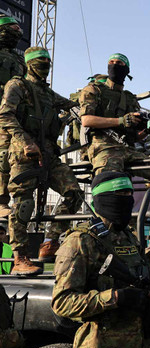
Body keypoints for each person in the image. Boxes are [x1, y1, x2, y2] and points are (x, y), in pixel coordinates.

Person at [51, 172, 150, 348]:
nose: (126, 200)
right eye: (119, 194)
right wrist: (115, 297)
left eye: (129, 194)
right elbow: (62, 302)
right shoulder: (80, 241)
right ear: (102, 199)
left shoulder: (129, 238)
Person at [78, 53, 150, 238]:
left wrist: (147, 130)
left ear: (127, 70)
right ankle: (104, 232)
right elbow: (86, 120)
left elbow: (135, 137)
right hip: (103, 147)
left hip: (127, 149)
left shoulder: (130, 99)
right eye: (111, 62)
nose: (115, 65)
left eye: (119, 63)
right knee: (109, 186)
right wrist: (120, 120)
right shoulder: (93, 90)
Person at [0, 47, 83, 275]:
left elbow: (72, 105)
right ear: (29, 63)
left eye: (47, 61)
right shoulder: (17, 85)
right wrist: (25, 141)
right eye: (40, 61)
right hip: (24, 153)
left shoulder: (47, 93)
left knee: (73, 192)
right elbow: (5, 114)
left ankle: (50, 241)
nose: (45, 65)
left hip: (49, 155)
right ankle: (20, 258)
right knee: (23, 204)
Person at [0, 15, 26, 218]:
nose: (17, 32)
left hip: (12, 114)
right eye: (13, 28)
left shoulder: (18, 59)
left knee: (8, 157)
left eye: (19, 29)